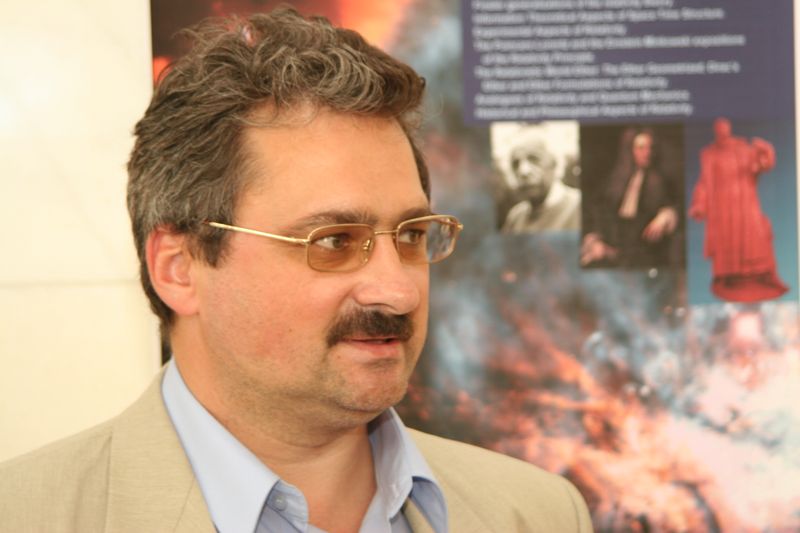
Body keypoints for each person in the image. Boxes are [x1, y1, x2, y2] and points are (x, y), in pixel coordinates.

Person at [0, 8, 592, 533]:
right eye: (333, 241)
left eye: (412, 235)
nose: (398, 291)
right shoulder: (26, 515)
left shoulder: (537, 514)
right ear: (179, 268)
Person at [689, 118, 788, 302]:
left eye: (725, 129)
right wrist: (699, 205)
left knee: (754, 237)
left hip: (745, 201)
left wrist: (765, 150)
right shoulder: (710, 154)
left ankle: (754, 276)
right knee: (728, 241)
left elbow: (763, 165)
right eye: (719, 130)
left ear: (729, 130)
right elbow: (704, 183)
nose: (722, 132)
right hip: (722, 207)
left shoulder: (743, 149)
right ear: (716, 132)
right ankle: (732, 278)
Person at [581, 127, 679, 268]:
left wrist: (666, 215)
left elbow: (676, 206)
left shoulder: (663, 182)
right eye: (641, 148)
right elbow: (594, 210)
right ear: (630, 150)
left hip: (642, 252)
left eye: (651, 148)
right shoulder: (614, 179)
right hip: (608, 246)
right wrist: (595, 240)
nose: (647, 153)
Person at [494, 123, 581, 233]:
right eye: (516, 163)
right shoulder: (516, 216)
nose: (523, 171)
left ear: (554, 163)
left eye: (534, 159)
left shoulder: (578, 206)